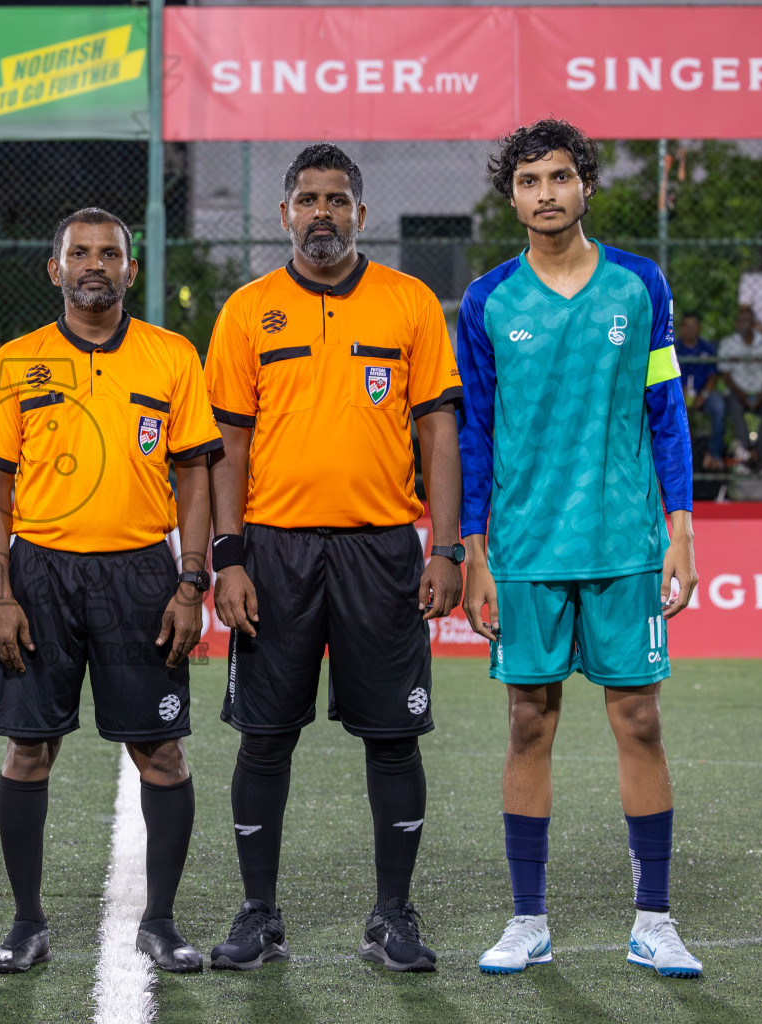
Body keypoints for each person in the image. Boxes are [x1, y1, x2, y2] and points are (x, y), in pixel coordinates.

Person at [204, 143, 463, 974]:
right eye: (308, 199)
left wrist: (447, 546)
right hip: (273, 555)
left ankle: (393, 914)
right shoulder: (247, 310)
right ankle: (257, 914)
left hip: (382, 551)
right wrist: (228, 557)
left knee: (393, 739)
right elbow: (227, 450)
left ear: (360, 213)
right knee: (265, 738)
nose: (322, 212)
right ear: (283, 214)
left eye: (338, 199)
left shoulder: (410, 302)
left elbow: (439, 433)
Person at [455, 118, 702, 979]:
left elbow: (666, 416)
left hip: (627, 543)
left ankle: (655, 918)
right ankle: (529, 919)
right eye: (530, 181)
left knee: (639, 718)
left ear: (585, 185)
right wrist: (473, 551)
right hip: (524, 550)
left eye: (561, 177)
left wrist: (681, 531)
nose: (547, 193)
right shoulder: (488, 300)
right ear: (512, 195)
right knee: (529, 723)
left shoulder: (641, 287)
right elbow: (477, 433)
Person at [0, 208, 222, 974]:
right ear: (55, 269)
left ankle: (162, 921)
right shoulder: (15, 361)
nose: (95, 264)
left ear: (131, 270)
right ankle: (25, 923)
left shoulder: (172, 357)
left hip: (144, 573)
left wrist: (190, 578)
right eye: (79, 252)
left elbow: (195, 474)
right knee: (27, 750)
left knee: (162, 753)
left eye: (111, 253)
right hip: (39, 572)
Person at [716, 307, 762, 469]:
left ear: (753, 323)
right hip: (738, 392)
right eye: (739, 320)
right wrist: (743, 395)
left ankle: (759, 449)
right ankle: (748, 449)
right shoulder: (727, 344)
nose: (742, 324)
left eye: (746, 320)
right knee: (732, 404)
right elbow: (725, 374)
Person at [674, 313, 724, 471]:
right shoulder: (672, 349)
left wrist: (704, 395)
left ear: (699, 328)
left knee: (719, 406)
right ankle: (673, 455)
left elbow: (713, 376)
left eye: (693, 326)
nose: (690, 330)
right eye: (686, 325)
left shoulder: (707, 348)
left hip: (703, 394)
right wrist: (679, 391)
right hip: (678, 393)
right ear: (680, 328)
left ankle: (713, 454)